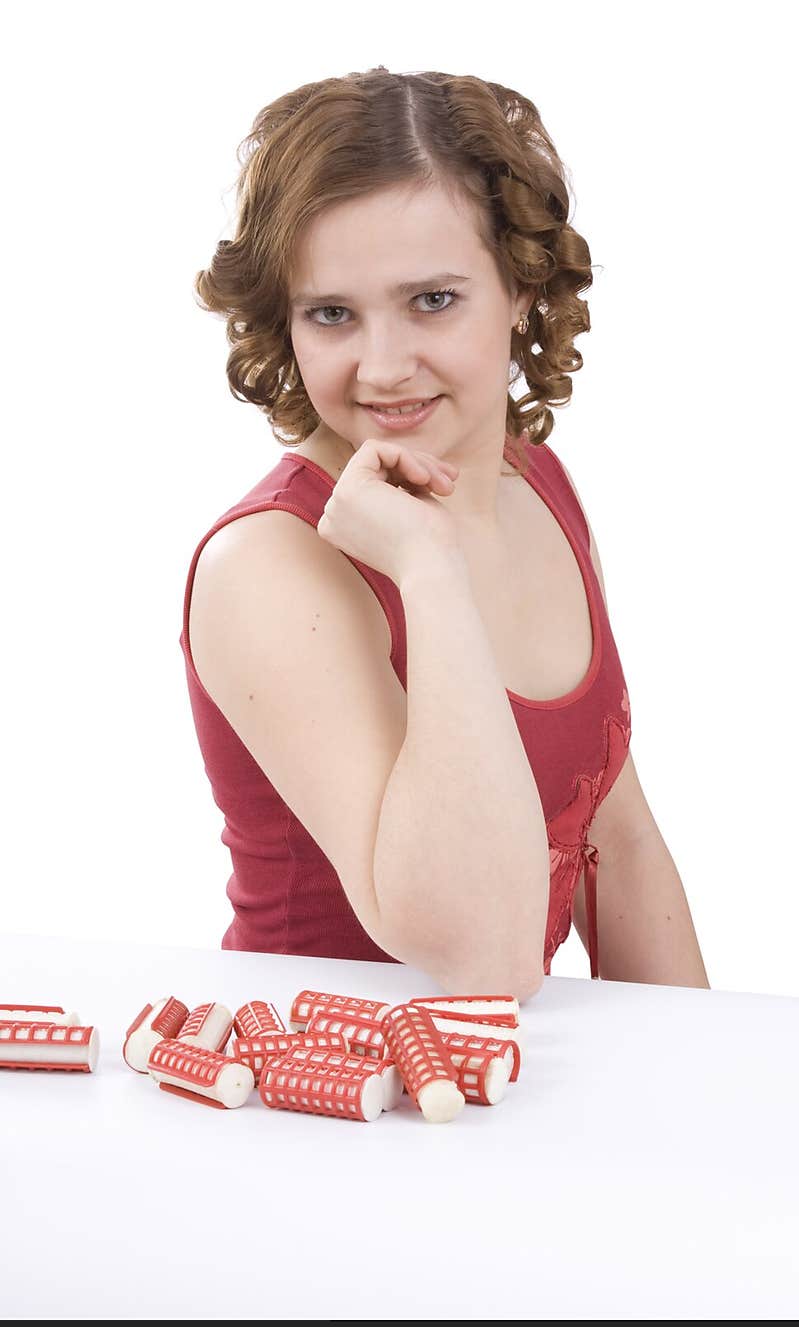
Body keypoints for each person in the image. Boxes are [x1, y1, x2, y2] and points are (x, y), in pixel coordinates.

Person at [181, 66, 710, 997]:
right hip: (325, 1110)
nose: (383, 368)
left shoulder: (539, 488)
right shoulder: (267, 564)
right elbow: (481, 958)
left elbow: (613, 843)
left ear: (521, 288)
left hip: (505, 1088)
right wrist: (427, 569)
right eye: (332, 313)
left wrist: (705, 1090)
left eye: (432, 300)